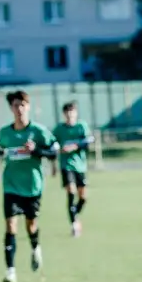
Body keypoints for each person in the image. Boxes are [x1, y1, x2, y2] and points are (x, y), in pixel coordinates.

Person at [0, 90, 59, 282]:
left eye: (22, 105)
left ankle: (35, 247)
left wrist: (36, 150)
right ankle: (11, 272)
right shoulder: (5, 133)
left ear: (28, 107)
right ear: (11, 108)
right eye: (16, 105)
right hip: (11, 186)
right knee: (11, 225)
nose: (19, 109)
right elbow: (1, 150)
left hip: (33, 186)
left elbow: (53, 152)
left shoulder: (38, 131)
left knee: (31, 225)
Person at [52, 101, 94, 237]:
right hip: (66, 165)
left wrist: (75, 146)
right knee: (71, 191)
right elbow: (52, 145)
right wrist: (56, 157)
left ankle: (74, 214)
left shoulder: (81, 126)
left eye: (72, 111)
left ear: (76, 113)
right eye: (67, 112)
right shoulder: (59, 129)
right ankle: (74, 224)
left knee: (83, 197)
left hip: (80, 166)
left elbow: (88, 141)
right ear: (64, 114)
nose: (70, 114)